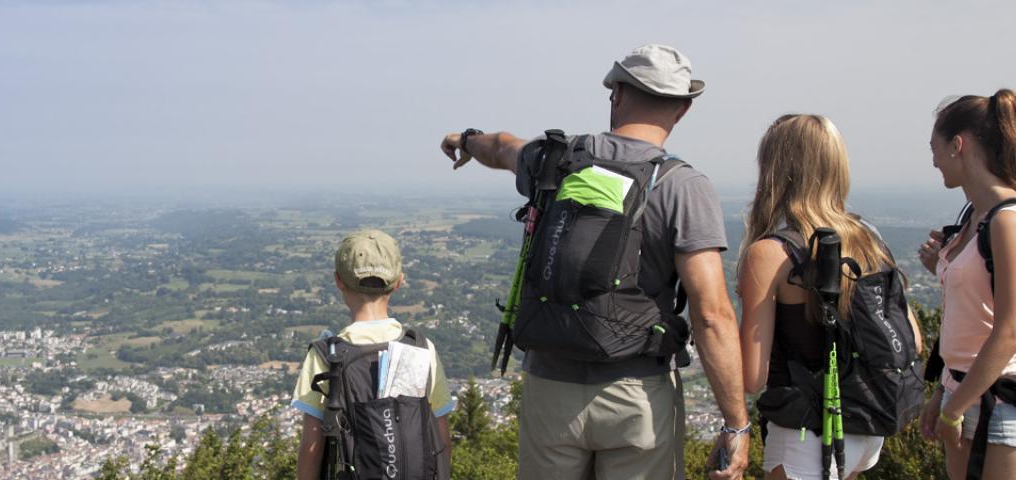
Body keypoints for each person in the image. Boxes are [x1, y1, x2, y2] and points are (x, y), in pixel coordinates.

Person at [437, 44, 751, 480]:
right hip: (637, 395)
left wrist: (465, 140)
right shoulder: (683, 186)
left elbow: (503, 147)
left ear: (616, 94)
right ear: (681, 110)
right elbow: (712, 314)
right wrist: (737, 422)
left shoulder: (556, 159)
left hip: (550, 386)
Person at [737, 114, 921, 479]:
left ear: (773, 170)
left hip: (805, 436)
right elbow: (912, 338)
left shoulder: (771, 253)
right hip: (864, 427)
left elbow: (751, 378)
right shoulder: (867, 237)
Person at [916, 89, 1016, 479]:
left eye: (935, 148)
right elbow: (972, 318)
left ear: (958, 144)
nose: (934, 161)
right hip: (965, 392)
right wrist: (944, 391)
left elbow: (1008, 332)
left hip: (1004, 399)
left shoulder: (1010, 222)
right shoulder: (978, 219)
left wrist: (954, 408)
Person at [291, 229, 453, 480]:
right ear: (399, 281)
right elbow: (440, 433)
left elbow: (312, 446)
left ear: (338, 281)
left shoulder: (326, 355)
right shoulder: (421, 347)